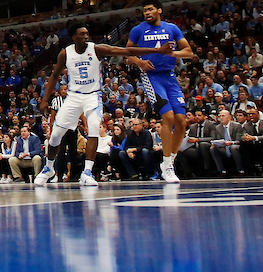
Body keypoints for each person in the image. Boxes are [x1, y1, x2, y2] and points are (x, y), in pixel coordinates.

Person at [36, 26, 178, 187]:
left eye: (87, 34)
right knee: (55, 135)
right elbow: (54, 76)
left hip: (92, 95)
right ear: (74, 37)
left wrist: (159, 50)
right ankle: (49, 168)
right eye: (82, 34)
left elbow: (124, 51)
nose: (86, 36)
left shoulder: (96, 49)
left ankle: (87, 172)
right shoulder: (65, 53)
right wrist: (45, 99)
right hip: (74, 96)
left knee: (95, 127)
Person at [126, 0, 198, 182]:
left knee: (181, 121)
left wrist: (171, 53)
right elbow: (127, 52)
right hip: (152, 77)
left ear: (159, 10)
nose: (147, 13)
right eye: (144, 10)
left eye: (150, 9)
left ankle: (169, 162)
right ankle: (166, 163)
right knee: (168, 117)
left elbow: (189, 52)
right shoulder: (138, 30)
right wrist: (140, 62)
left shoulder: (172, 28)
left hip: (170, 76)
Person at [211, 109, 246, 175]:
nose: (221, 118)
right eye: (220, 116)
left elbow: (239, 140)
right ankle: (221, 170)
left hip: (235, 146)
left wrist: (231, 143)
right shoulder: (217, 127)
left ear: (229, 117)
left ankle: (240, 169)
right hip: (224, 147)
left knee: (233, 147)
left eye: (223, 116)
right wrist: (216, 143)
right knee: (212, 148)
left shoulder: (237, 125)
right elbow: (216, 139)